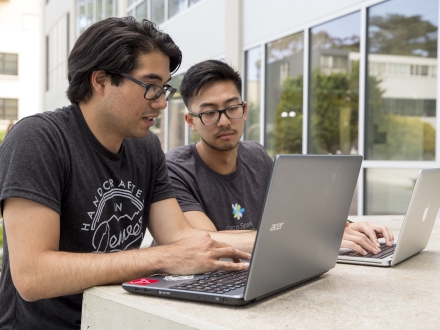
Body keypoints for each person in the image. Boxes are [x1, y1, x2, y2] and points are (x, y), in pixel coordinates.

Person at [0, 18, 252, 329]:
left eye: (164, 89)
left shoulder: (145, 146)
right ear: (101, 80)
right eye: (150, 87)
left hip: (115, 318)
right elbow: (32, 275)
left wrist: (279, 241)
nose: (161, 103)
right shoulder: (39, 139)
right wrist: (162, 258)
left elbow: (181, 237)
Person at [165, 59, 394, 256]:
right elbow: (208, 241)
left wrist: (344, 228)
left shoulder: (256, 155)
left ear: (244, 109)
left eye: (232, 107)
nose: (224, 121)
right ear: (190, 121)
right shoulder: (175, 169)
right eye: (209, 112)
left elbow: (298, 211)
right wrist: (306, 238)